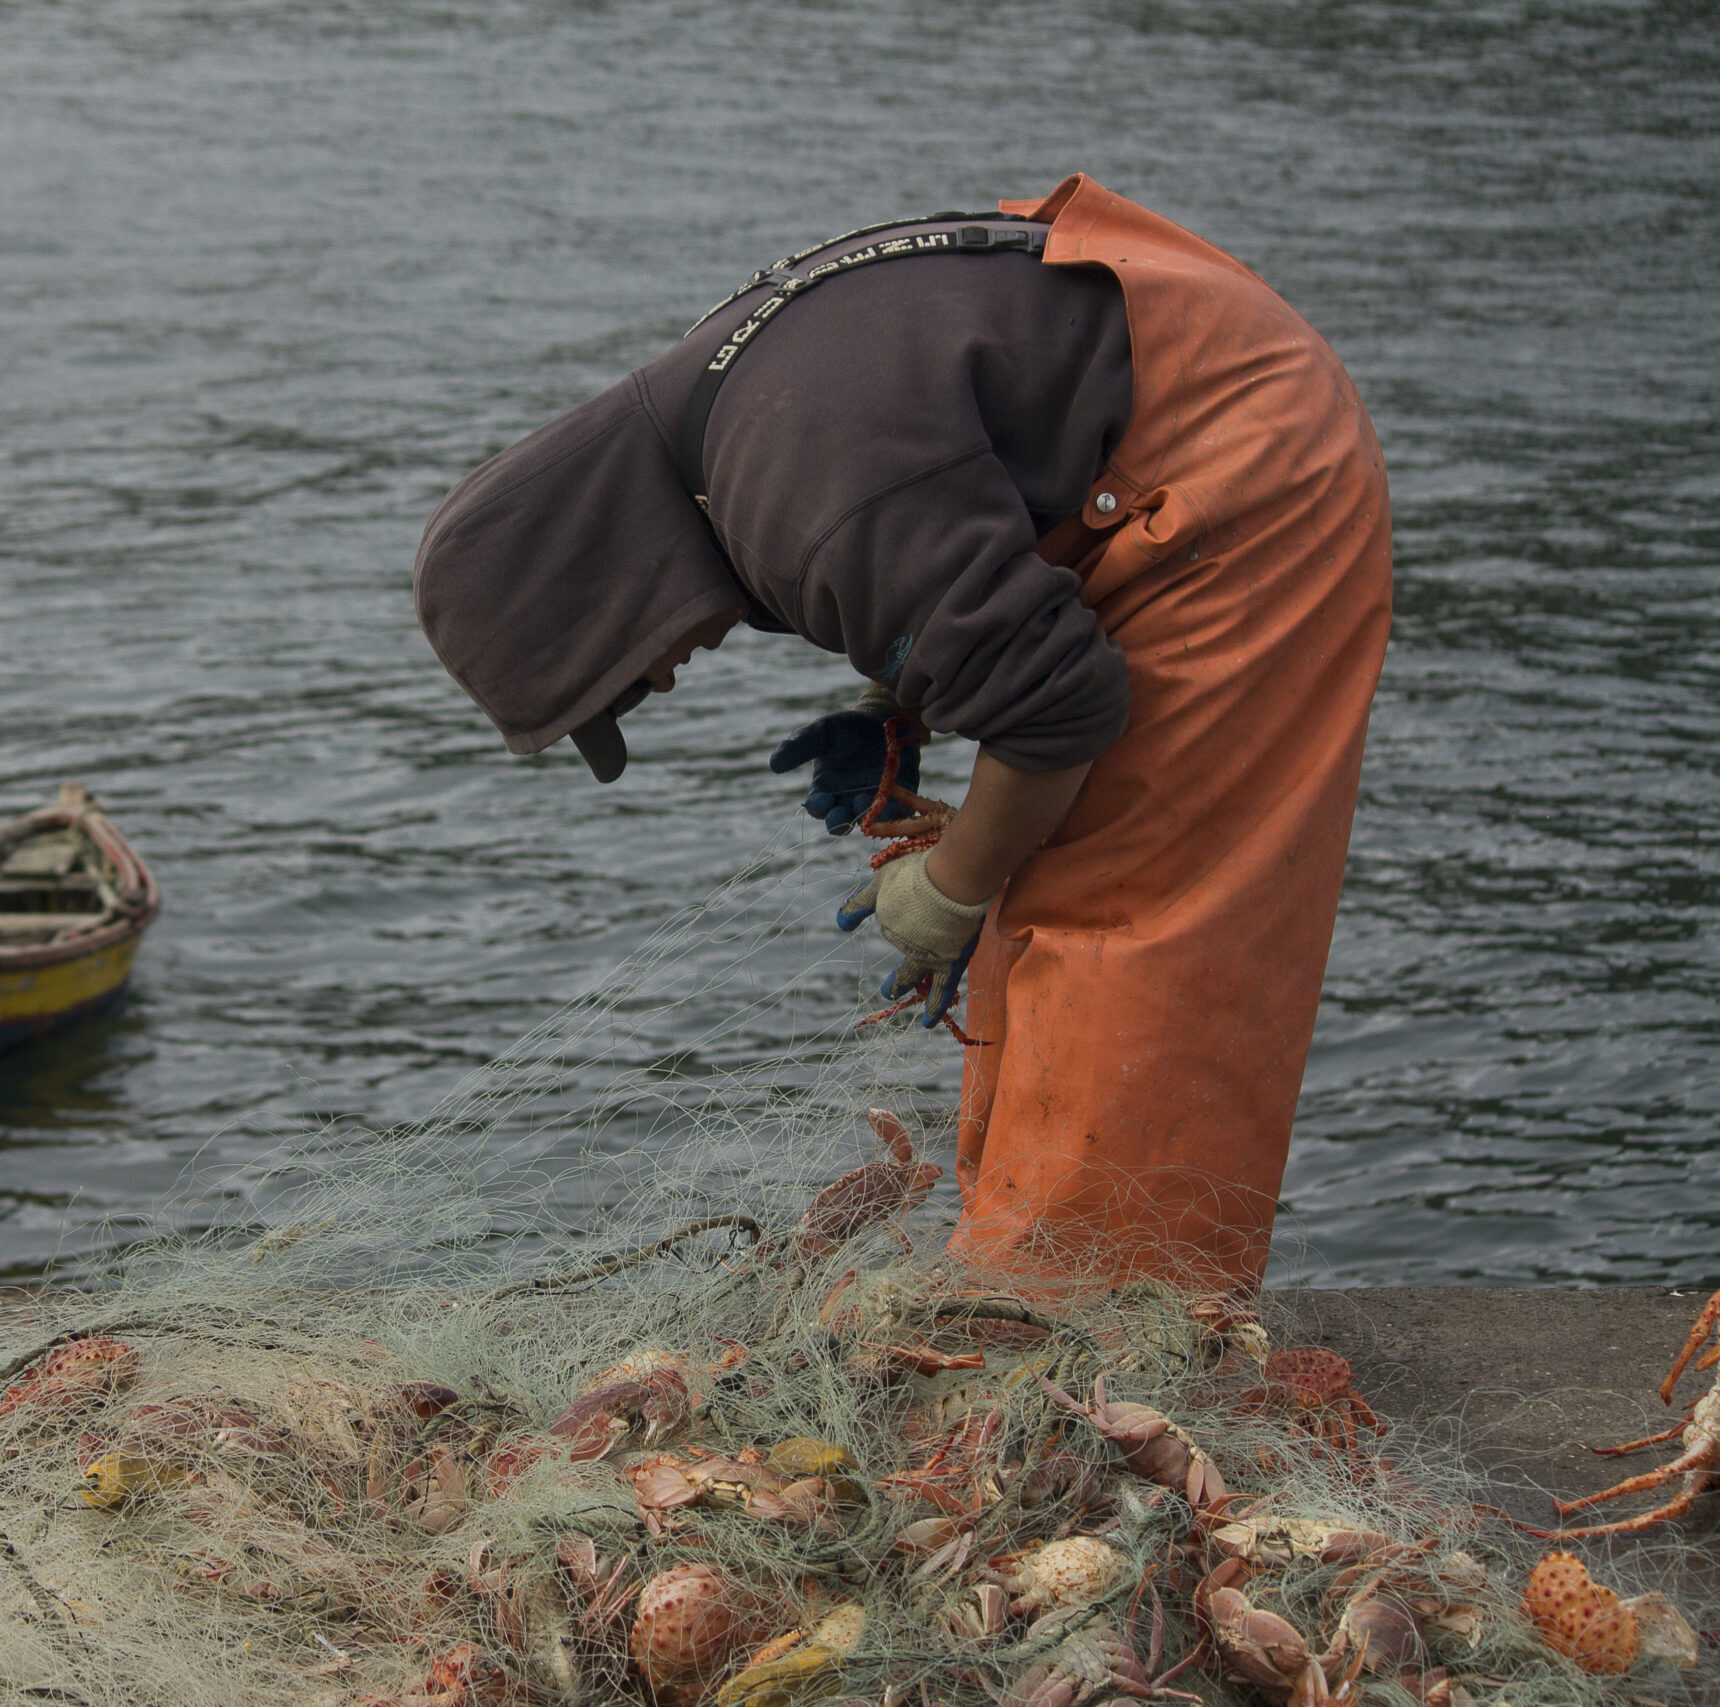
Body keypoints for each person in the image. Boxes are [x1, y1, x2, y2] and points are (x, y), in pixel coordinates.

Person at [412, 175, 1390, 1295]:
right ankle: (1020, 1274)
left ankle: (1106, 1315)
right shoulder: (718, 438)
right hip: (1153, 368)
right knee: (1042, 884)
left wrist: (953, 885)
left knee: (1123, 916)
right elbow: (949, 506)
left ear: (598, 588)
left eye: (622, 676)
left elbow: (1057, 710)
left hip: (1241, 451)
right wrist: (902, 700)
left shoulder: (803, 490)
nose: (662, 679)